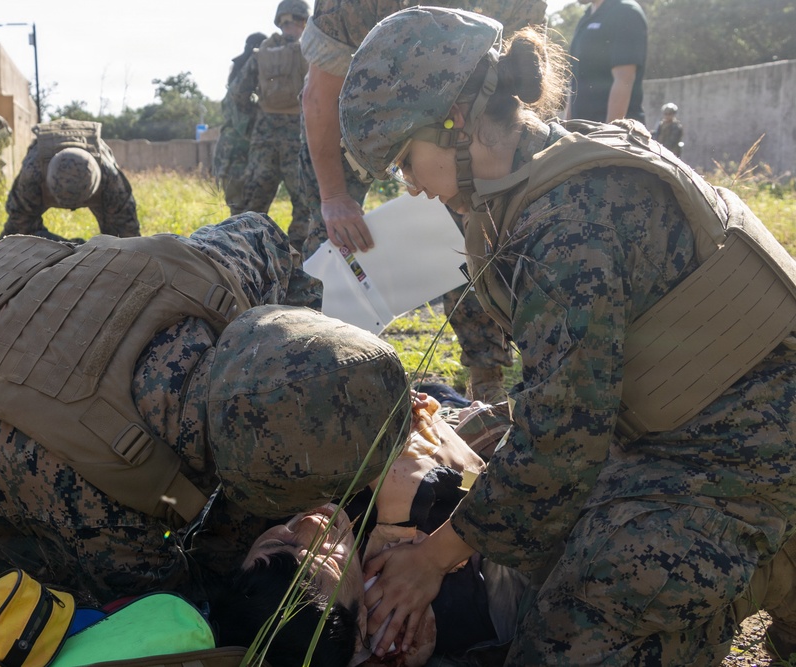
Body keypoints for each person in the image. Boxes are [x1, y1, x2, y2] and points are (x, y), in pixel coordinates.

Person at [336, 7, 796, 664]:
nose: (409, 186)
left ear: (456, 123)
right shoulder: (560, 161)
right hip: (728, 427)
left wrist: (432, 559)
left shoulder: (563, 227)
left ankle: (776, 552)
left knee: (563, 635)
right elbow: (577, 387)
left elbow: (560, 449)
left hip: (745, 460)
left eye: (407, 161)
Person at [0, 212, 410, 616]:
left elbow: (265, 235)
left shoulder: (224, 268)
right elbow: (169, 596)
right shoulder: (89, 485)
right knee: (0, 581)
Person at [296, 0, 548, 403]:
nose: (412, 188)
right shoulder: (353, 5)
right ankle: (322, 371)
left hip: (461, 120)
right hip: (352, 126)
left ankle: (486, 372)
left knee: (483, 231)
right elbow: (318, 98)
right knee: (335, 246)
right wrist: (335, 196)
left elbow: (518, 89)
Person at [212, 393, 527, 667]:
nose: (310, 525)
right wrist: (405, 515)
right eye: (327, 561)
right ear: (361, 619)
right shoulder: (445, 604)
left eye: (277, 541)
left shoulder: (263, 513)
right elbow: (495, 488)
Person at [230, 0, 311, 244]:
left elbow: (238, 92)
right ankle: (299, 258)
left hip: (263, 136)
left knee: (252, 205)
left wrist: (258, 117)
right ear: (305, 21)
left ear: (280, 20)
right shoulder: (312, 51)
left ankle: (245, 253)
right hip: (299, 134)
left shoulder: (261, 54)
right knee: (305, 204)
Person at [1, 118, 140, 242]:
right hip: (40, 172)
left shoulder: (110, 179)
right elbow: (16, 228)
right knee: (18, 239)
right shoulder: (33, 174)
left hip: (103, 183)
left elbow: (128, 234)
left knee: (122, 242)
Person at [567, 0, 648, 123]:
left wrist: (607, 135)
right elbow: (575, 84)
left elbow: (624, 79)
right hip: (583, 133)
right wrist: (566, 129)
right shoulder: (586, 16)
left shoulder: (626, 11)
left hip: (613, 134)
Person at [214, 32, 268, 215]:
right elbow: (243, 124)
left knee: (242, 214)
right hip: (239, 157)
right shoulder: (244, 90)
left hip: (230, 156)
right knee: (244, 215)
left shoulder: (237, 82)